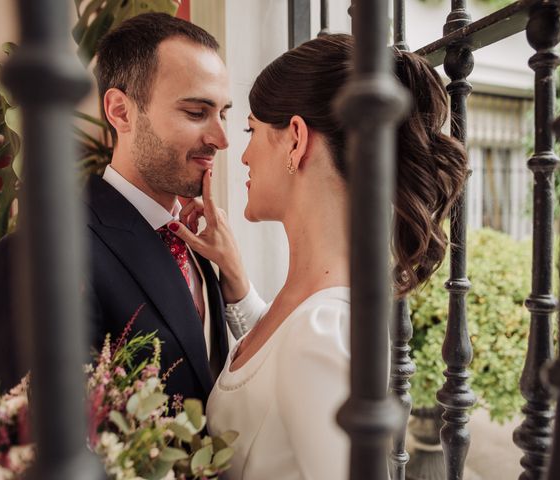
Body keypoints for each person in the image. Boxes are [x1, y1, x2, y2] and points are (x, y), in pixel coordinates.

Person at [170, 34, 469, 479]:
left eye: (252, 130)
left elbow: (302, 357)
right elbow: (277, 377)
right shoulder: (314, 315)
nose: (244, 154)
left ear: (295, 140)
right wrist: (236, 282)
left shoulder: (322, 332)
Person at [0, 13, 239, 405]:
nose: (221, 138)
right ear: (121, 111)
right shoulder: (42, 253)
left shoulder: (203, 248)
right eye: (196, 112)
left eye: (223, 112)